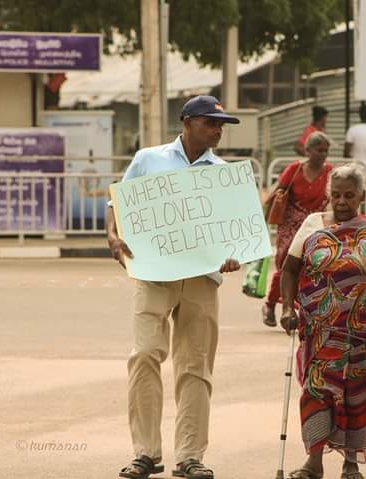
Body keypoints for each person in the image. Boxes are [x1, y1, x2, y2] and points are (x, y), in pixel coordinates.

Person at [108, 95, 242, 479]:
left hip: (201, 279)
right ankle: (146, 453)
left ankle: (190, 456)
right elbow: (117, 205)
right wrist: (113, 238)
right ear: (186, 122)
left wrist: (233, 255)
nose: (218, 130)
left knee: (195, 366)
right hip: (153, 273)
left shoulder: (222, 173)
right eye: (211, 122)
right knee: (145, 354)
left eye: (221, 125)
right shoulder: (149, 159)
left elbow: (234, 230)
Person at [279, 164, 366, 479]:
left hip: (361, 334)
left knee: (357, 396)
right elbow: (289, 269)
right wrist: (287, 309)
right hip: (320, 333)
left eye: (349, 195)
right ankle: (313, 462)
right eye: (336, 195)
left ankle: (350, 464)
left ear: (361, 195)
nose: (342, 201)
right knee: (316, 393)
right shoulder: (312, 225)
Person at [262, 131, 333, 327]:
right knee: (286, 264)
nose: (323, 155)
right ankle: (271, 304)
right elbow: (279, 191)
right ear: (307, 150)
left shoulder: (329, 173)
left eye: (326, 151)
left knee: (309, 266)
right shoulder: (294, 169)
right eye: (319, 150)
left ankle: (301, 308)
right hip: (290, 224)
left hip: (314, 224)